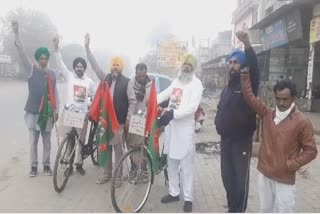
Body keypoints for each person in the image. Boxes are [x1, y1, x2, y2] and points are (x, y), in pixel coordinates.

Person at [240, 67, 318, 212]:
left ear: (293, 98)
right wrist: (245, 76)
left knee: (284, 211)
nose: (281, 103)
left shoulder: (302, 122)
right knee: (265, 210)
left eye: (285, 99)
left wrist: (292, 164)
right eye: (278, 99)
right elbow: (250, 98)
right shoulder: (267, 114)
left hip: (284, 179)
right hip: (265, 174)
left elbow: (311, 150)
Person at [214, 31, 259, 213]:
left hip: (241, 140)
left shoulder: (249, 83)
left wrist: (247, 44)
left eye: (236, 62)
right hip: (226, 139)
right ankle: (232, 207)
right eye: (230, 62)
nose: (232, 65)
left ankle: (238, 209)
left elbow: (254, 68)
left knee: (240, 179)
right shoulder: (228, 87)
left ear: (243, 65)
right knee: (227, 177)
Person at [84, 33, 137, 184]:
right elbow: (95, 67)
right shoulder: (105, 78)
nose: (115, 67)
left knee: (118, 151)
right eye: (113, 65)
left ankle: (118, 177)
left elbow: (132, 102)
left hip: (118, 123)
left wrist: (127, 119)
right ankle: (107, 174)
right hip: (105, 122)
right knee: (105, 148)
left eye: (117, 65)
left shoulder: (127, 82)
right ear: (110, 67)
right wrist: (87, 49)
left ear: (121, 68)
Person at [12, 21, 60, 177]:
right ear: (38, 59)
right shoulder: (31, 71)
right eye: (41, 58)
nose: (44, 60)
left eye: (46, 58)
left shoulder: (52, 74)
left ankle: (46, 166)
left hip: (47, 112)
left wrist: (56, 109)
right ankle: (33, 167)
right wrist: (16, 34)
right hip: (33, 112)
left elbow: (56, 93)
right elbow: (22, 54)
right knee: (33, 141)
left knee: (47, 141)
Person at [157, 54, 203, 213]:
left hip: (185, 130)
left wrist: (173, 114)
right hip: (172, 129)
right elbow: (165, 94)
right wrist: (152, 101)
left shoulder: (197, 84)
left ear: (193, 68)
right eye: (184, 64)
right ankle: (174, 192)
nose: (186, 67)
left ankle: (188, 198)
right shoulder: (176, 82)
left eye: (190, 65)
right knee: (171, 162)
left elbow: (192, 108)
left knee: (187, 165)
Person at [53, 35, 95, 175]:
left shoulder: (89, 82)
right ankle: (68, 165)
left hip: (82, 116)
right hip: (69, 113)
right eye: (77, 66)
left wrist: (89, 106)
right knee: (69, 139)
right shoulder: (69, 76)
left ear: (84, 68)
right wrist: (56, 48)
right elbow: (60, 63)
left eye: (81, 66)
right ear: (74, 67)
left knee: (80, 141)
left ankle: (79, 163)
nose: (79, 68)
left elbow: (93, 97)